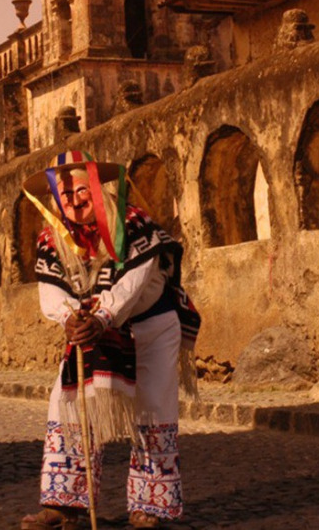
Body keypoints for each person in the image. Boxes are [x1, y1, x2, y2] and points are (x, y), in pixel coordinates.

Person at [20, 151, 200, 530]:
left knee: (152, 407)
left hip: (149, 326)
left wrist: (102, 316)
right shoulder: (53, 238)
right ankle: (65, 503)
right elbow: (50, 290)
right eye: (65, 194)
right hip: (92, 327)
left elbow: (134, 281)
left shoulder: (133, 224)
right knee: (65, 402)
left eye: (81, 189)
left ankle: (150, 503)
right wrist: (71, 317)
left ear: (98, 188)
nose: (74, 199)